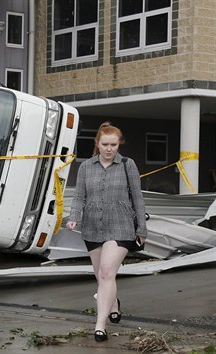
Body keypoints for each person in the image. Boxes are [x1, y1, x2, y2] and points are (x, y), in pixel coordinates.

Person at [66, 121, 147, 342]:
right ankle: (113, 304)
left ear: (119, 144)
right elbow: (79, 196)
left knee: (106, 273)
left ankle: (100, 326)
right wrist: (74, 217)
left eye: (114, 144)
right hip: (92, 226)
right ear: (97, 144)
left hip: (121, 225)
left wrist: (142, 228)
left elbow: (137, 198)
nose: (109, 149)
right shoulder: (85, 167)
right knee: (101, 276)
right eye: (105, 144)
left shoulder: (127, 165)